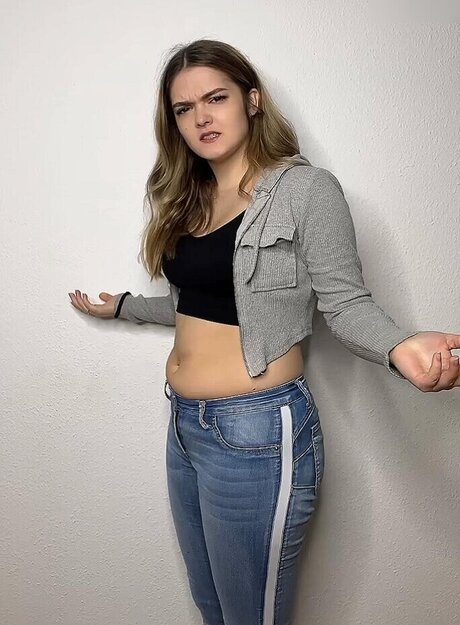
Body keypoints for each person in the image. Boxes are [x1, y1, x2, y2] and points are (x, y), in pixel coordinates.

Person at [69, 39, 459, 625]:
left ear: (251, 100)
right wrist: (123, 306)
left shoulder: (306, 190)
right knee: (212, 607)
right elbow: (195, 307)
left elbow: (345, 302)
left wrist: (399, 347)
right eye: (183, 108)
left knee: (249, 616)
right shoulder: (190, 199)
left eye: (216, 98)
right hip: (185, 426)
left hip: (256, 431)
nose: (201, 118)